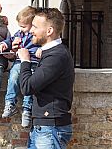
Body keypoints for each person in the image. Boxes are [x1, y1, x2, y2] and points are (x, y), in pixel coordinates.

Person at [19, 8, 75, 149]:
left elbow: (27, 87)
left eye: (36, 27)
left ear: (49, 31)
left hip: (50, 128)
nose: (31, 30)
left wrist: (25, 61)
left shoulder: (56, 56)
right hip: (44, 126)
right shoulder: (53, 53)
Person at [0, 6, 41, 127]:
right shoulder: (19, 34)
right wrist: (4, 45)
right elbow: (9, 40)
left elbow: (45, 44)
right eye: (20, 26)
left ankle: (27, 109)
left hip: (34, 62)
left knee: (30, 84)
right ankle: (10, 103)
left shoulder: (37, 35)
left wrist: (41, 49)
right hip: (19, 61)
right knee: (13, 77)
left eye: (23, 26)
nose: (20, 29)